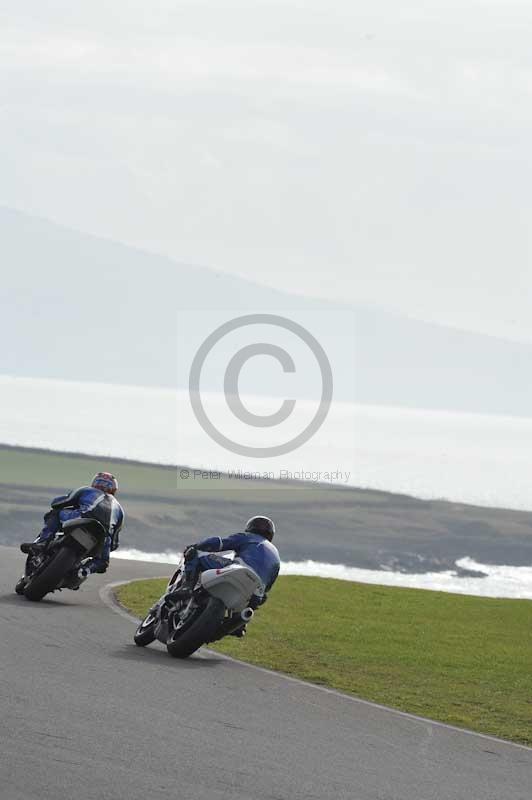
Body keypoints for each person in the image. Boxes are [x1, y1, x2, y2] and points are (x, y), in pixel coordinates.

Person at [179, 515, 280, 637]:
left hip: (239, 570)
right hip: (256, 590)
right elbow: (268, 587)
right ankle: (239, 623)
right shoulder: (276, 557)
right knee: (260, 598)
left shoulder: (248, 537)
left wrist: (197, 546)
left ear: (251, 527)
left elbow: (219, 543)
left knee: (195, 555)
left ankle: (187, 587)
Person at [20, 472, 124, 577]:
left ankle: (42, 542)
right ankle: (83, 571)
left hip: (80, 519)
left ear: (94, 483)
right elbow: (114, 542)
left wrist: (64, 504)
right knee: (102, 563)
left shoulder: (87, 490)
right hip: (103, 536)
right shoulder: (119, 509)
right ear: (114, 489)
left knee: (55, 513)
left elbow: (58, 503)